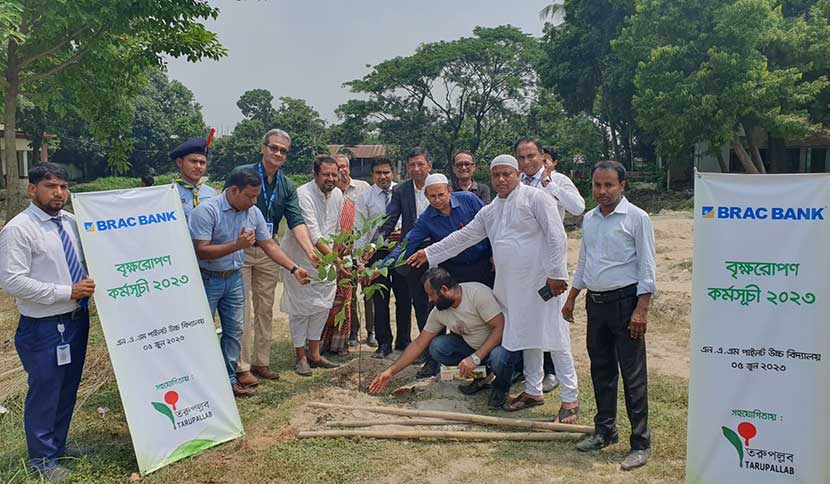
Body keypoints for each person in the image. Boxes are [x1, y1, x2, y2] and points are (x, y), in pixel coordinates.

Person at [408, 155, 579, 421]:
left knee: (555, 338)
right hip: (511, 288)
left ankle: (570, 399)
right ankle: (533, 390)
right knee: (526, 337)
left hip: (542, 284)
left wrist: (557, 274)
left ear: (517, 173)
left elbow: (557, 235)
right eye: (496, 175)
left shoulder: (537, 198)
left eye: (506, 174)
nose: (500, 180)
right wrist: (429, 253)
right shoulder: (490, 211)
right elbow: (462, 238)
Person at [0, 163, 96, 481]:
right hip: (43, 326)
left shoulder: (71, 222)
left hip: (76, 320)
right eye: (51, 186)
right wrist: (66, 291)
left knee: (67, 388)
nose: (59, 193)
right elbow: (13, 282)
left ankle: (58, 446)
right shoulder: (19, 229)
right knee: (45, 391)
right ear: (32, 189)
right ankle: (42, 460)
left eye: (64, 187)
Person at [563, 160, 655, 470]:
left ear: (622, 186)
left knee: (633, 376)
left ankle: (640, 443)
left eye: (609, 185)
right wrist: (572, 297)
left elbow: (647, 268)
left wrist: (641, 310)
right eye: (597, 185)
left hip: (626, 304)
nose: (602, 191)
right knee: (601, 370)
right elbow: (585, 260)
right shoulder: (589, 219)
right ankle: (605, 430)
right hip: (597, 304)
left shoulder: (636, 218)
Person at [189, 168, 310, 397]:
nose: (254, 201)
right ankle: (199, 383)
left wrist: (294, 268)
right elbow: (201, 251)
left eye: (256, 196)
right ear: (233, 190)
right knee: (201, 331)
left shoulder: (253, 212)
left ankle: (230, 380)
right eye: (250, 196)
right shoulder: (206, 211)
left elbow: (270, 245)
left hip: (233, 278)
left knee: (235, 331)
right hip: (208, 279)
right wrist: (237, 246)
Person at [229, 129, 318, 387]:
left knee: (265, 308)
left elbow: (296, 221)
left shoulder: (286, 185)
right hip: (241, 249)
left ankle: (262, 362)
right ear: (263, 148)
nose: (277, 153)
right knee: (242, 309)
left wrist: (311, 253)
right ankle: (242, 366)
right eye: (273, 148)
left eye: (283, 150)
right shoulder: (242, 173)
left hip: (269, 250)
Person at [369, 268, 516, 409]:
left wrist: (475, 358)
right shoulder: (439, 311)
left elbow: (500, 328)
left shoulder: (477, 294)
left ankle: (501, 388)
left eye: (431, 294)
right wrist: (390, 372)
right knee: (438, 347)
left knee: (499, 356)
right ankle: (482, 376)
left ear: (444, 290)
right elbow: (419, 343)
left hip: (498, 345)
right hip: (472, 349)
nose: (430, 299)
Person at [516, 137, 586, 393]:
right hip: (525, 267)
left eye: (532, 157)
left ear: (542, 156)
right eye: (521, 158)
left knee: (556, 330)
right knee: (529, 328)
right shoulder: (517, 183)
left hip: (551, 267)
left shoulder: (558, 181)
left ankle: (568, 391)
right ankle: (532, 387)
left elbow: (578, 208)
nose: (527, 162)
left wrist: (548, 184)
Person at [280, 156, 344, 376]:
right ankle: (300, 357)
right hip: (301, 258)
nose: (331, 178)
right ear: (315, 175)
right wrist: (337, 262)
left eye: (334, 174)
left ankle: (315, 355)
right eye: (326, 174)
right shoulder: (302, 194)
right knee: (300, 309)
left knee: (322, 306)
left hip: (326, 259)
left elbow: (334, 230)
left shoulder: (338, 194)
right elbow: (313, 234)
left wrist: (334, 258)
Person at [382, 173, 493, 288]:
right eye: (433, 196)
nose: (438, 200)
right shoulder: (426, 219)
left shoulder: (468, 199)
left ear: (449, 191)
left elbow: (490, 225)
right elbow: (406, 244)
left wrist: (494, 254)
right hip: (454, 269)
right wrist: (381, 267)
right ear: (426, 195)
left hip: (484, 263)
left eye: (441, 195)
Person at [379, 147, 433, 377]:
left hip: (440, 251)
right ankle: (427, 353)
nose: (416, 169)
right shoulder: (401, 190)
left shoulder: (440, 185)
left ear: (429, 165)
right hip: (412, 254)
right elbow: (390, 219)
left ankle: (443, 352)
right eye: (411, 165)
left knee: (442, 303)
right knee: (419, 303)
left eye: (420, 164)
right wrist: (376, 244)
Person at [354, 158, 408, 359]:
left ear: (392, 172)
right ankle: (384, 343)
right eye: (378, 173)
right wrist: (360, 261)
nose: (383, 177)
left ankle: (403, 342)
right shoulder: (365, 197)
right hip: (375, 253)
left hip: (401, 251)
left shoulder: (403, 192)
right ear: (372, 175)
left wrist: (402, 233)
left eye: (386, 172)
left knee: (403, 298)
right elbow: (359, 229)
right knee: (380, 299)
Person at [332, 153, 373, 348]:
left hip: (363, 248)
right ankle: (353, 331)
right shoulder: (330, 191)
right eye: (337, 166)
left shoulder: (363, 188)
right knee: (349, 292)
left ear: (349, 168)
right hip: (342, 251)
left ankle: (371, 332)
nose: (341, 170)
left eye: (344, 166)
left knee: (369, 290)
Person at [320, 195, 357, 356]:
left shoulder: (350, 205)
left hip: (345, 259)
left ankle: (338, 343)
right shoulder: (320, 202)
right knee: (323, 303)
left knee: (343, 303)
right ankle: (318, 344)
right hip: (323, 258)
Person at [171, 137, 218, 220]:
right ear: (180, 162)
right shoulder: (171, 193)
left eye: (202, 162)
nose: (198, 166)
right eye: (193, 161)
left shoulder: (211, 194)